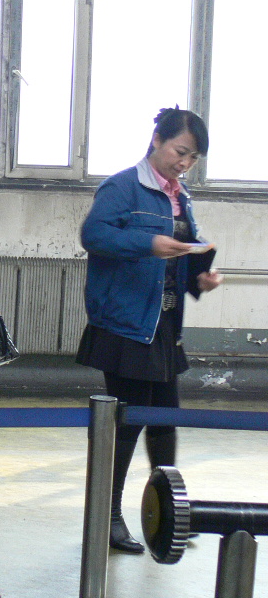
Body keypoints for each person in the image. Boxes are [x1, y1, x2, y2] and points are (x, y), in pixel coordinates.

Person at [77, 107, 221, 554]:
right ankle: (106, 516)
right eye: (180, 151)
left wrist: (199, 278)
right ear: (157, 140)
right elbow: (93, 236)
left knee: (165, 421)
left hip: (163, 328)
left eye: (193, 157)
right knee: (125, 424)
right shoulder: (123, 186)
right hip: (127, 327)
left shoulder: (180, 196)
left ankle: (170, 510)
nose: (184, 163)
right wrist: (148, 243)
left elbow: (183, 255)